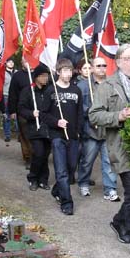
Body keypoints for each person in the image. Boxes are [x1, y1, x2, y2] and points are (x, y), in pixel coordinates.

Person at [89, 44, 130, 258]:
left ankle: (119, 221)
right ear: (118, 62)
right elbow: (95, 116)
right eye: (128, 58)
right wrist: (118, 116)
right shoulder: (107, 86)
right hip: (122, 147)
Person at [42, 58, 83, 216]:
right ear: (58, 72)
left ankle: (57, 189)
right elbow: (44, 114)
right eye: (64, 70)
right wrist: (56, 122)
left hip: (73, 135)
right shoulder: (51, 91)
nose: (67, 73)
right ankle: (67, 202)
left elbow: (80, 113)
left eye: (69, 70)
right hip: (57, 135)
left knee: (71, 167)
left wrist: (78, 131)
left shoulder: (76, 90)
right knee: (61, 170)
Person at [77, 56, 120, 201]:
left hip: (108, 130)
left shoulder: (112, 85)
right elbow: (78, 106)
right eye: (98, 66)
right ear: (92, 68)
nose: (102, 68)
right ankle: (83, 183)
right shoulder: (83, 86)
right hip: (91, 131)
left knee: (109, 162)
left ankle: (110, 189)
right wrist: (91, 112)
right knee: (87, 160)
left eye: (104, 65)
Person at [19, 64, 51, 192]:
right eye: (42, 76)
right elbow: (21, 108)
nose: (45, 78)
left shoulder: (49, 90)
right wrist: (31, 114)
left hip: (48, 127)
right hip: (34, 127)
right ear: (36, 77)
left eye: (47, 76)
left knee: (45, 155)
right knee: (38, 153)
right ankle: (33, 178)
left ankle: (43, 180)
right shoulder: (28, 91)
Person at [8, 57, 33, 168]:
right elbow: (12, 93)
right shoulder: (17, 76)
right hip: (22, 110)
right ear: (22, 63)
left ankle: (37, 156)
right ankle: (28, 157)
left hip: (37, 110)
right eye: (25, 60)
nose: (28, 62)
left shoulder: (38, 73)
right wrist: (12, 110)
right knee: (25, 134)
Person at [2, 58, 17, 143]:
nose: (11, 63)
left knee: (17, 115)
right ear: (6, 63)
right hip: (6, 96)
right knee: (6, 115)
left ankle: (19, 135)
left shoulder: (17, 72)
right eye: (9, 62)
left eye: (12, 62)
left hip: (15, 96)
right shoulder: (3, 73)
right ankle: (7, 135)